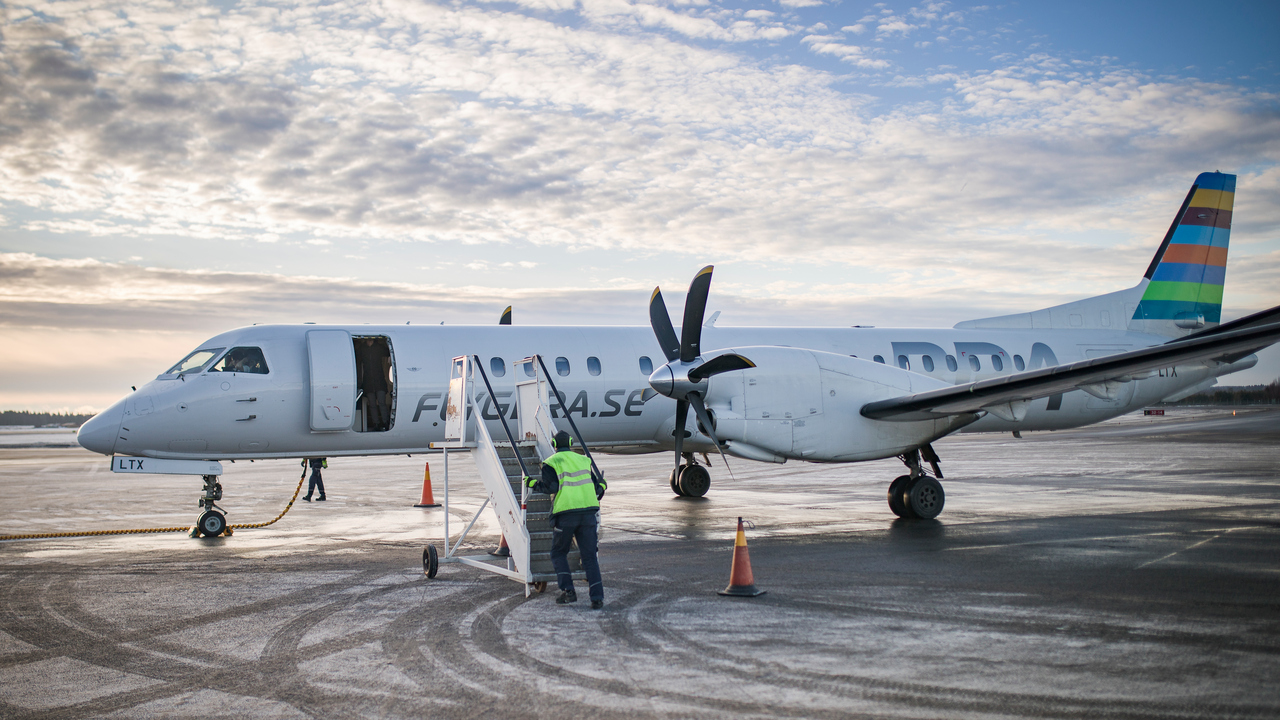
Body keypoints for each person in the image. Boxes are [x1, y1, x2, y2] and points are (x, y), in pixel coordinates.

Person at [526, 431, 606, 609]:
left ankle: (568, 591)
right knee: (589, 556)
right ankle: (597, 598)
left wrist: (532, 483)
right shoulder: (584, 460)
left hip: (566, 514)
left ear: (554, 444)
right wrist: (602, 485)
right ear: (570, 442)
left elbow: (551, 487)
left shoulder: (551, 462)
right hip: (588, 513)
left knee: (558, 553)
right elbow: (597, 488)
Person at [355, 338, 391, 430]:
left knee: (381, 403)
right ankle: (376, 423)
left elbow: (388, 352)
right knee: (372, 405)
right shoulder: (363, 349)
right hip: (369, 382)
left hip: (379, 381)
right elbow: (356, 354)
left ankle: (386, 422)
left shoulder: (378, 348)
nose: (370, 341)